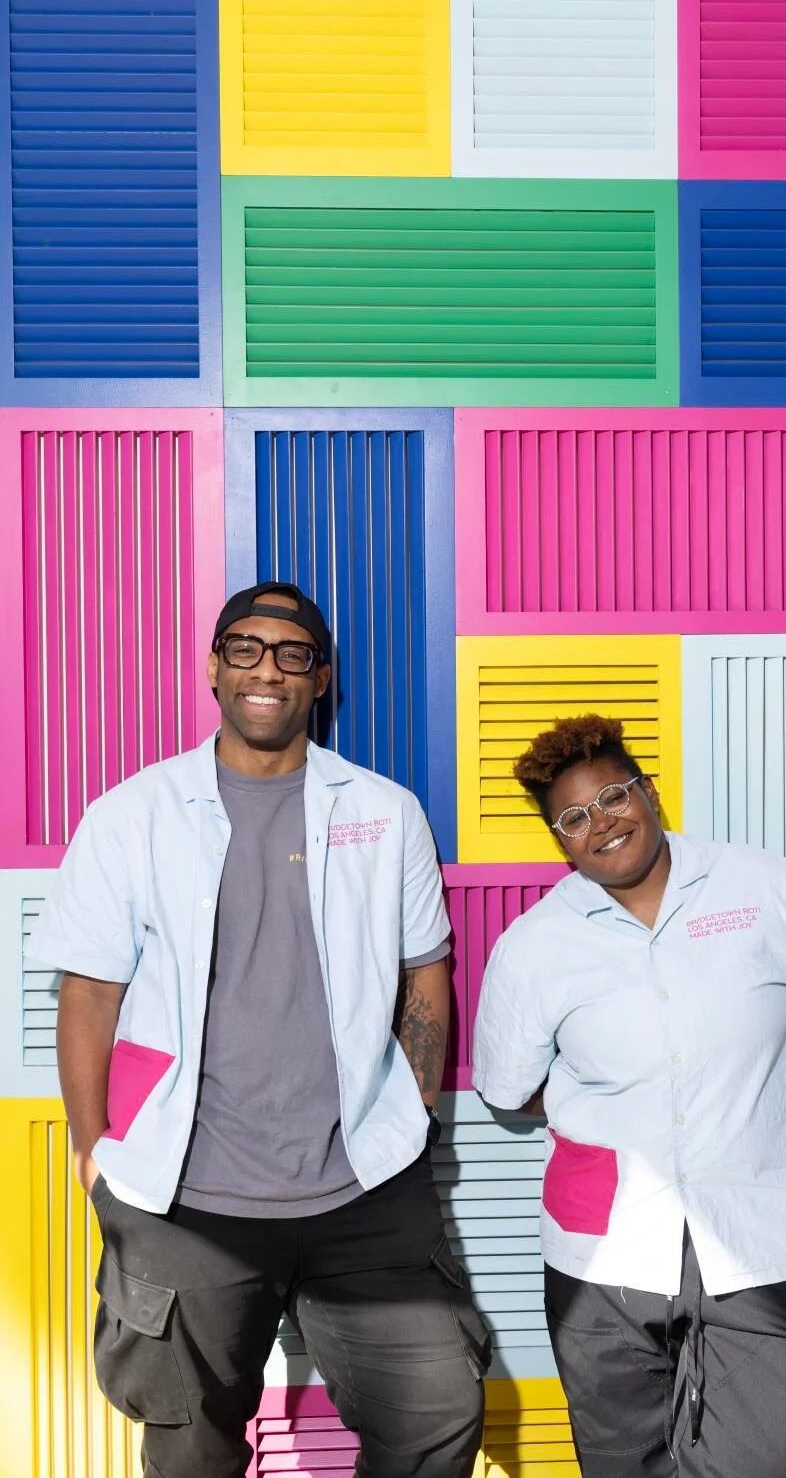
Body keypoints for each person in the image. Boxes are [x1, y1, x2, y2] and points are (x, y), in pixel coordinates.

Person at [30, 581, 490, 1478]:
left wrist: (411, 1110)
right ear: (214, 667)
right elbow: (88, 992)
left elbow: (422, 971)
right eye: (244, 648)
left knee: (435, 1416)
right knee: (191, 1443)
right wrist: (93, 1152)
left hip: (364, 1185)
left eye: (291, 653)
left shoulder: (384, 812)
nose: (266, 669)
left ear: (320, 680)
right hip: (184, 1195)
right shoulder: (133, 814)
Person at [472, 713, 786, 1478]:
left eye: (613, 796)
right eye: (574, 817)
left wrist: (758, 1090)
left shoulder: (763, 885)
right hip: (604, 1251)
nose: (601, 822)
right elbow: (509, 1090)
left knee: (778, 1439)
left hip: (761, 1227)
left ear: (649, 790)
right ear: (558, 839)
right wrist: (614, 1104)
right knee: (620, 1458)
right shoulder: (533, 946)